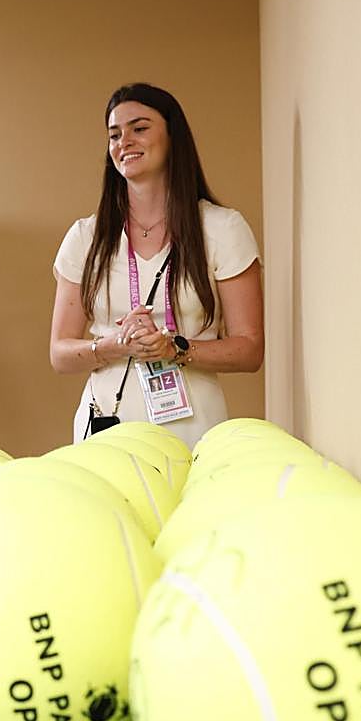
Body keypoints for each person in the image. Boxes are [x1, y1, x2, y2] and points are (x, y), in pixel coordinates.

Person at [49, 83, 263, 449]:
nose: (124, 141)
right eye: (115, 134)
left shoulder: (222, 228)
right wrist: (113, 345)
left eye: (140, 128)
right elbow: (59, 352)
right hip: (105, 429)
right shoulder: (85, 236)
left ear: (173, 138)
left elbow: (249, 349)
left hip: (193, 429)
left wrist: (174, 348)